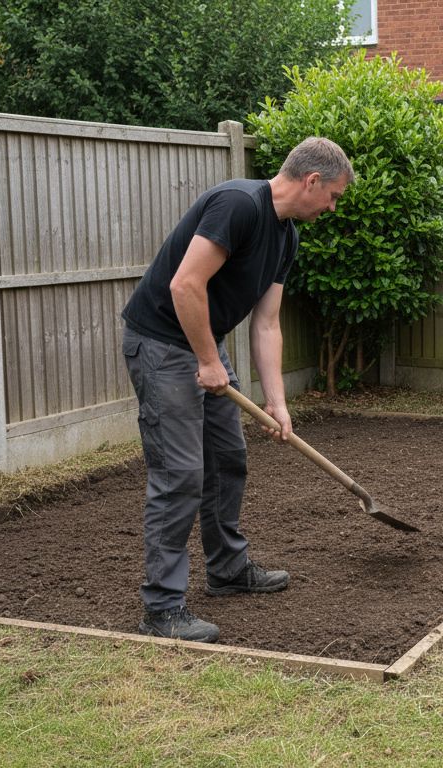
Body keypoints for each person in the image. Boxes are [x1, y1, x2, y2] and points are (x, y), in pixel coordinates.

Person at [120, 137, 353, 642]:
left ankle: (227, 569)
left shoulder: (287, 237)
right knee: (179, 472)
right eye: (333, 196)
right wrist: (206, 359)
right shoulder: (238, 204)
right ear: (311, 181)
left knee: (228, 457)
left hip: (204, 341)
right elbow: (186, 285)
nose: (332, 207)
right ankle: (161, 609)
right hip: (162, 342)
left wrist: (277, 402)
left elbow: (267, 323)